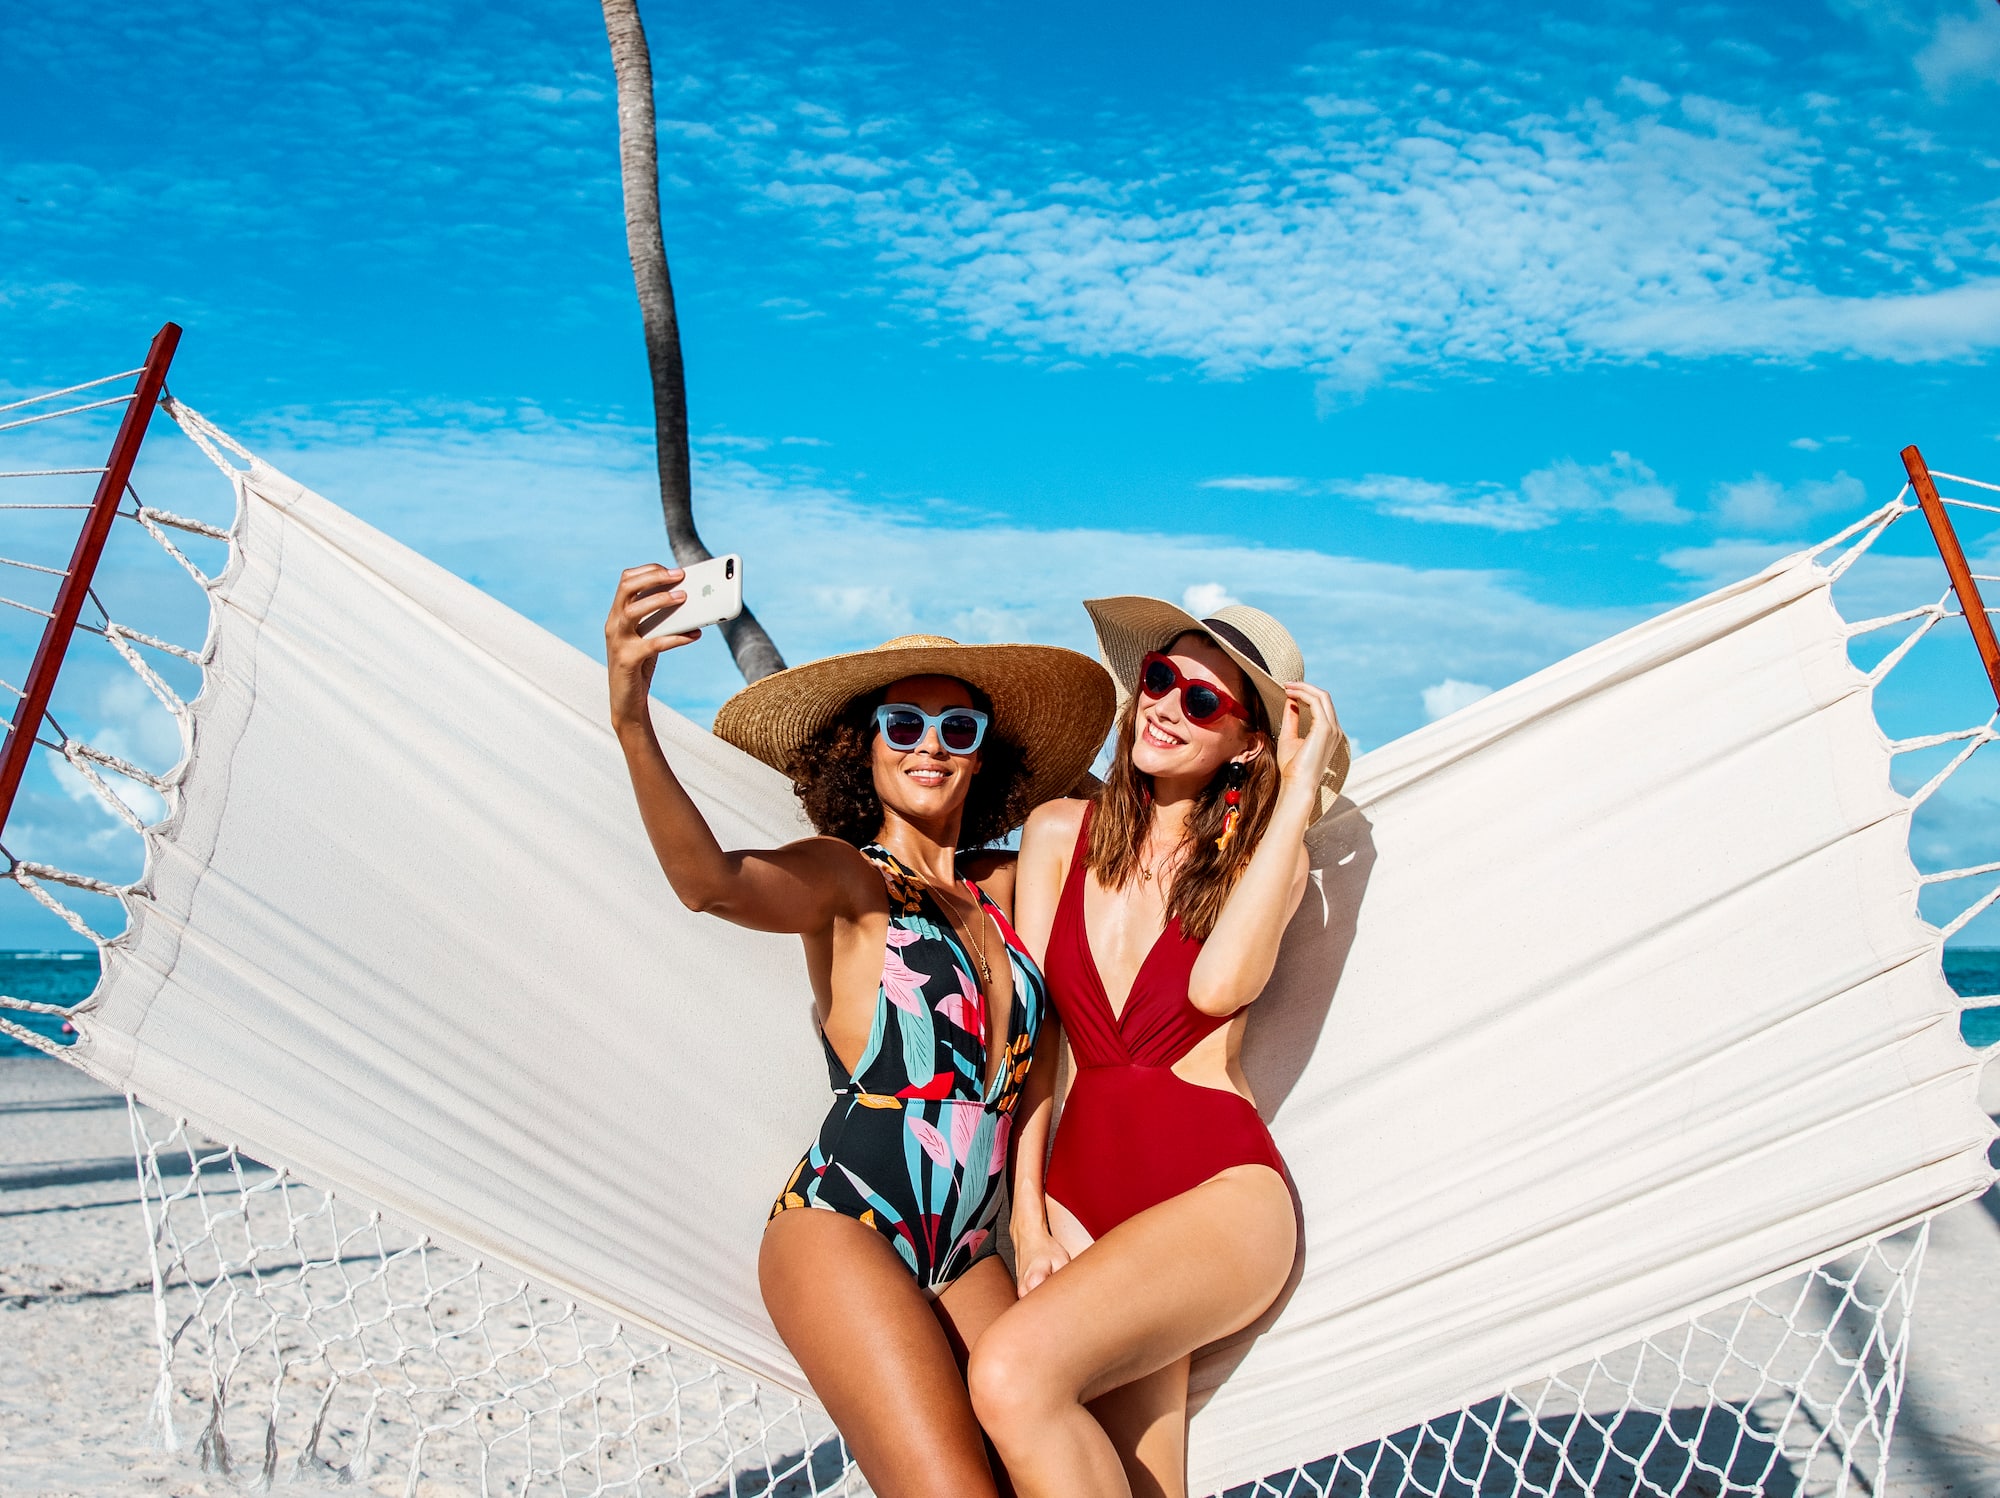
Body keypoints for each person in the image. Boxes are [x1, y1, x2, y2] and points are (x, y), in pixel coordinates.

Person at [605, 564, 1112, 1498]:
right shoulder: (848, 880)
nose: (931, 746)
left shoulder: (1009, 892)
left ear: (984, 752)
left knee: (1062, 1473)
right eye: (903, 725)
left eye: (959, 729)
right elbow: (708, 883)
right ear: (863, 748)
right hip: (846, 1223)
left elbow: (1129, 842)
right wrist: (632, 719)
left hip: (969, 1245)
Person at [970, 597, 1349, 1498]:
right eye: (1159, 679)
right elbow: (1040, 1041)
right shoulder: (1060, 832)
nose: (1168, 706)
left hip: (1218, 1194)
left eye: (1204, 702)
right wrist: (1028, 1223)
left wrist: (1299, 789)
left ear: (1250, 744)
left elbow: (1217, 991)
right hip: (1080, 1195)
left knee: (1011, 1374)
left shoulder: (1270, 859)